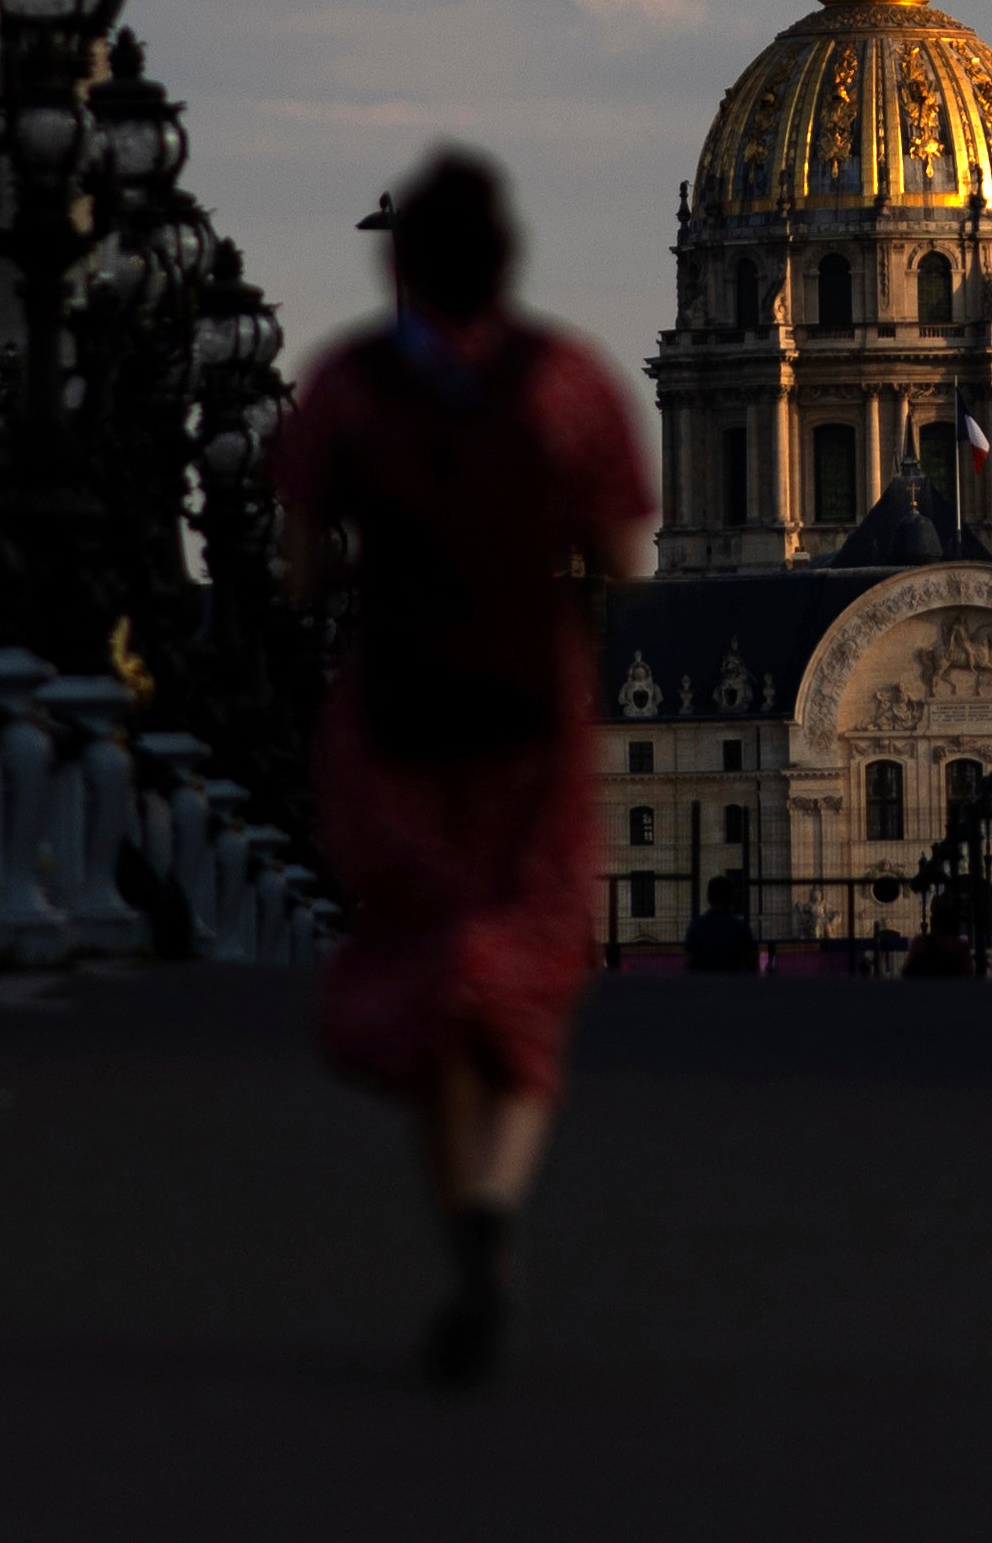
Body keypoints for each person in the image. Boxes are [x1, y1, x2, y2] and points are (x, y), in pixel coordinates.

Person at [272, 148, 653, 1387]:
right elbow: (626, 558)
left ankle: (461, 1230)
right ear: (508, 263)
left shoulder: (345, 386)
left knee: (424, 946)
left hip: (392, 711)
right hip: (526, 714)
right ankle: (499, 1195)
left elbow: (300, 570)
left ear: (400, 264)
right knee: (528, 958)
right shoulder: (567, 386)